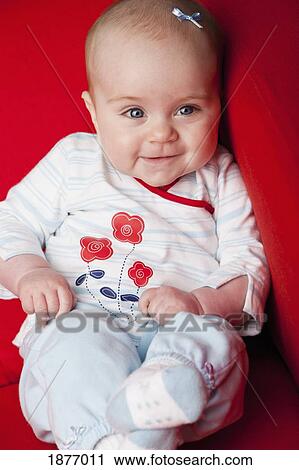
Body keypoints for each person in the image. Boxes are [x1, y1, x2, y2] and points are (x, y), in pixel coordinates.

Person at [0, 0, 270, 450]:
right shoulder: (74, 159)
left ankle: (157, 401)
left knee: (215, 342)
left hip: (179, 328)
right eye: (134, 113)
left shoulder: (219, 175)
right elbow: (11, 220)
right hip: (79, 321)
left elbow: (249, 264)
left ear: (218, 102)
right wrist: (29, 271)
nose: (162, 133)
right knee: (71, 353)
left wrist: (199, 303)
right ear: (93, 111)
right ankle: (105, 442)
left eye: (187, 109)